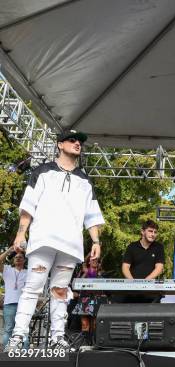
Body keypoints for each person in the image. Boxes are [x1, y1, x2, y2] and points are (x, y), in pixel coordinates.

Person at [5, 130, 105, 352]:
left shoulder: (84, 179)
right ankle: (18, 335)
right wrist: (21, 233)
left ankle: (57, 337)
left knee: (60, 290)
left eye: (80, 141)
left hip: (71, 244)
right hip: (44, 239)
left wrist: (95, 242)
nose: (77, 143)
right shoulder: (42, 171)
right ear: (60, 144)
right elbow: (28, 206)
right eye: (72, 140)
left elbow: (92, 215)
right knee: (32, 288)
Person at [121, 220, 165, 303]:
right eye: (150, 231)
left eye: (155, 232)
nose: (153, 234)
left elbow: (159, 268)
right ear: (142, 231)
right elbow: (125, 267)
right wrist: (133, 283)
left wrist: (145, 282)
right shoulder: (132, 247)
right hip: (131, 293)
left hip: (151, 293)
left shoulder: (159, 247)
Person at [71, 255, 107, 340]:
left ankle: (95, 342)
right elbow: (77, 285)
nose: (95, 262)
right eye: (93, 260)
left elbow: (105, 288)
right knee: (85, 324)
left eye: (96, 260)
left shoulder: (101, 273)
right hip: (85, 300)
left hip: (96, 300)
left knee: (95, 324)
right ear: (89, 262)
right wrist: (86, 272)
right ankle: (85, 342)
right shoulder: (84, 272)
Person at [1, 248, 27, 347]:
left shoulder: (28, 272)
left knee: (23, 331)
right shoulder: (7, 269)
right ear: (13, 260)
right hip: (9, 304)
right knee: (8, 330)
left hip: (24, 305)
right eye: (16, 257)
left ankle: (24, 356)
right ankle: (6, 355)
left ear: (24, 260)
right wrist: (10, 250)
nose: (18, 258)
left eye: (20, 257)